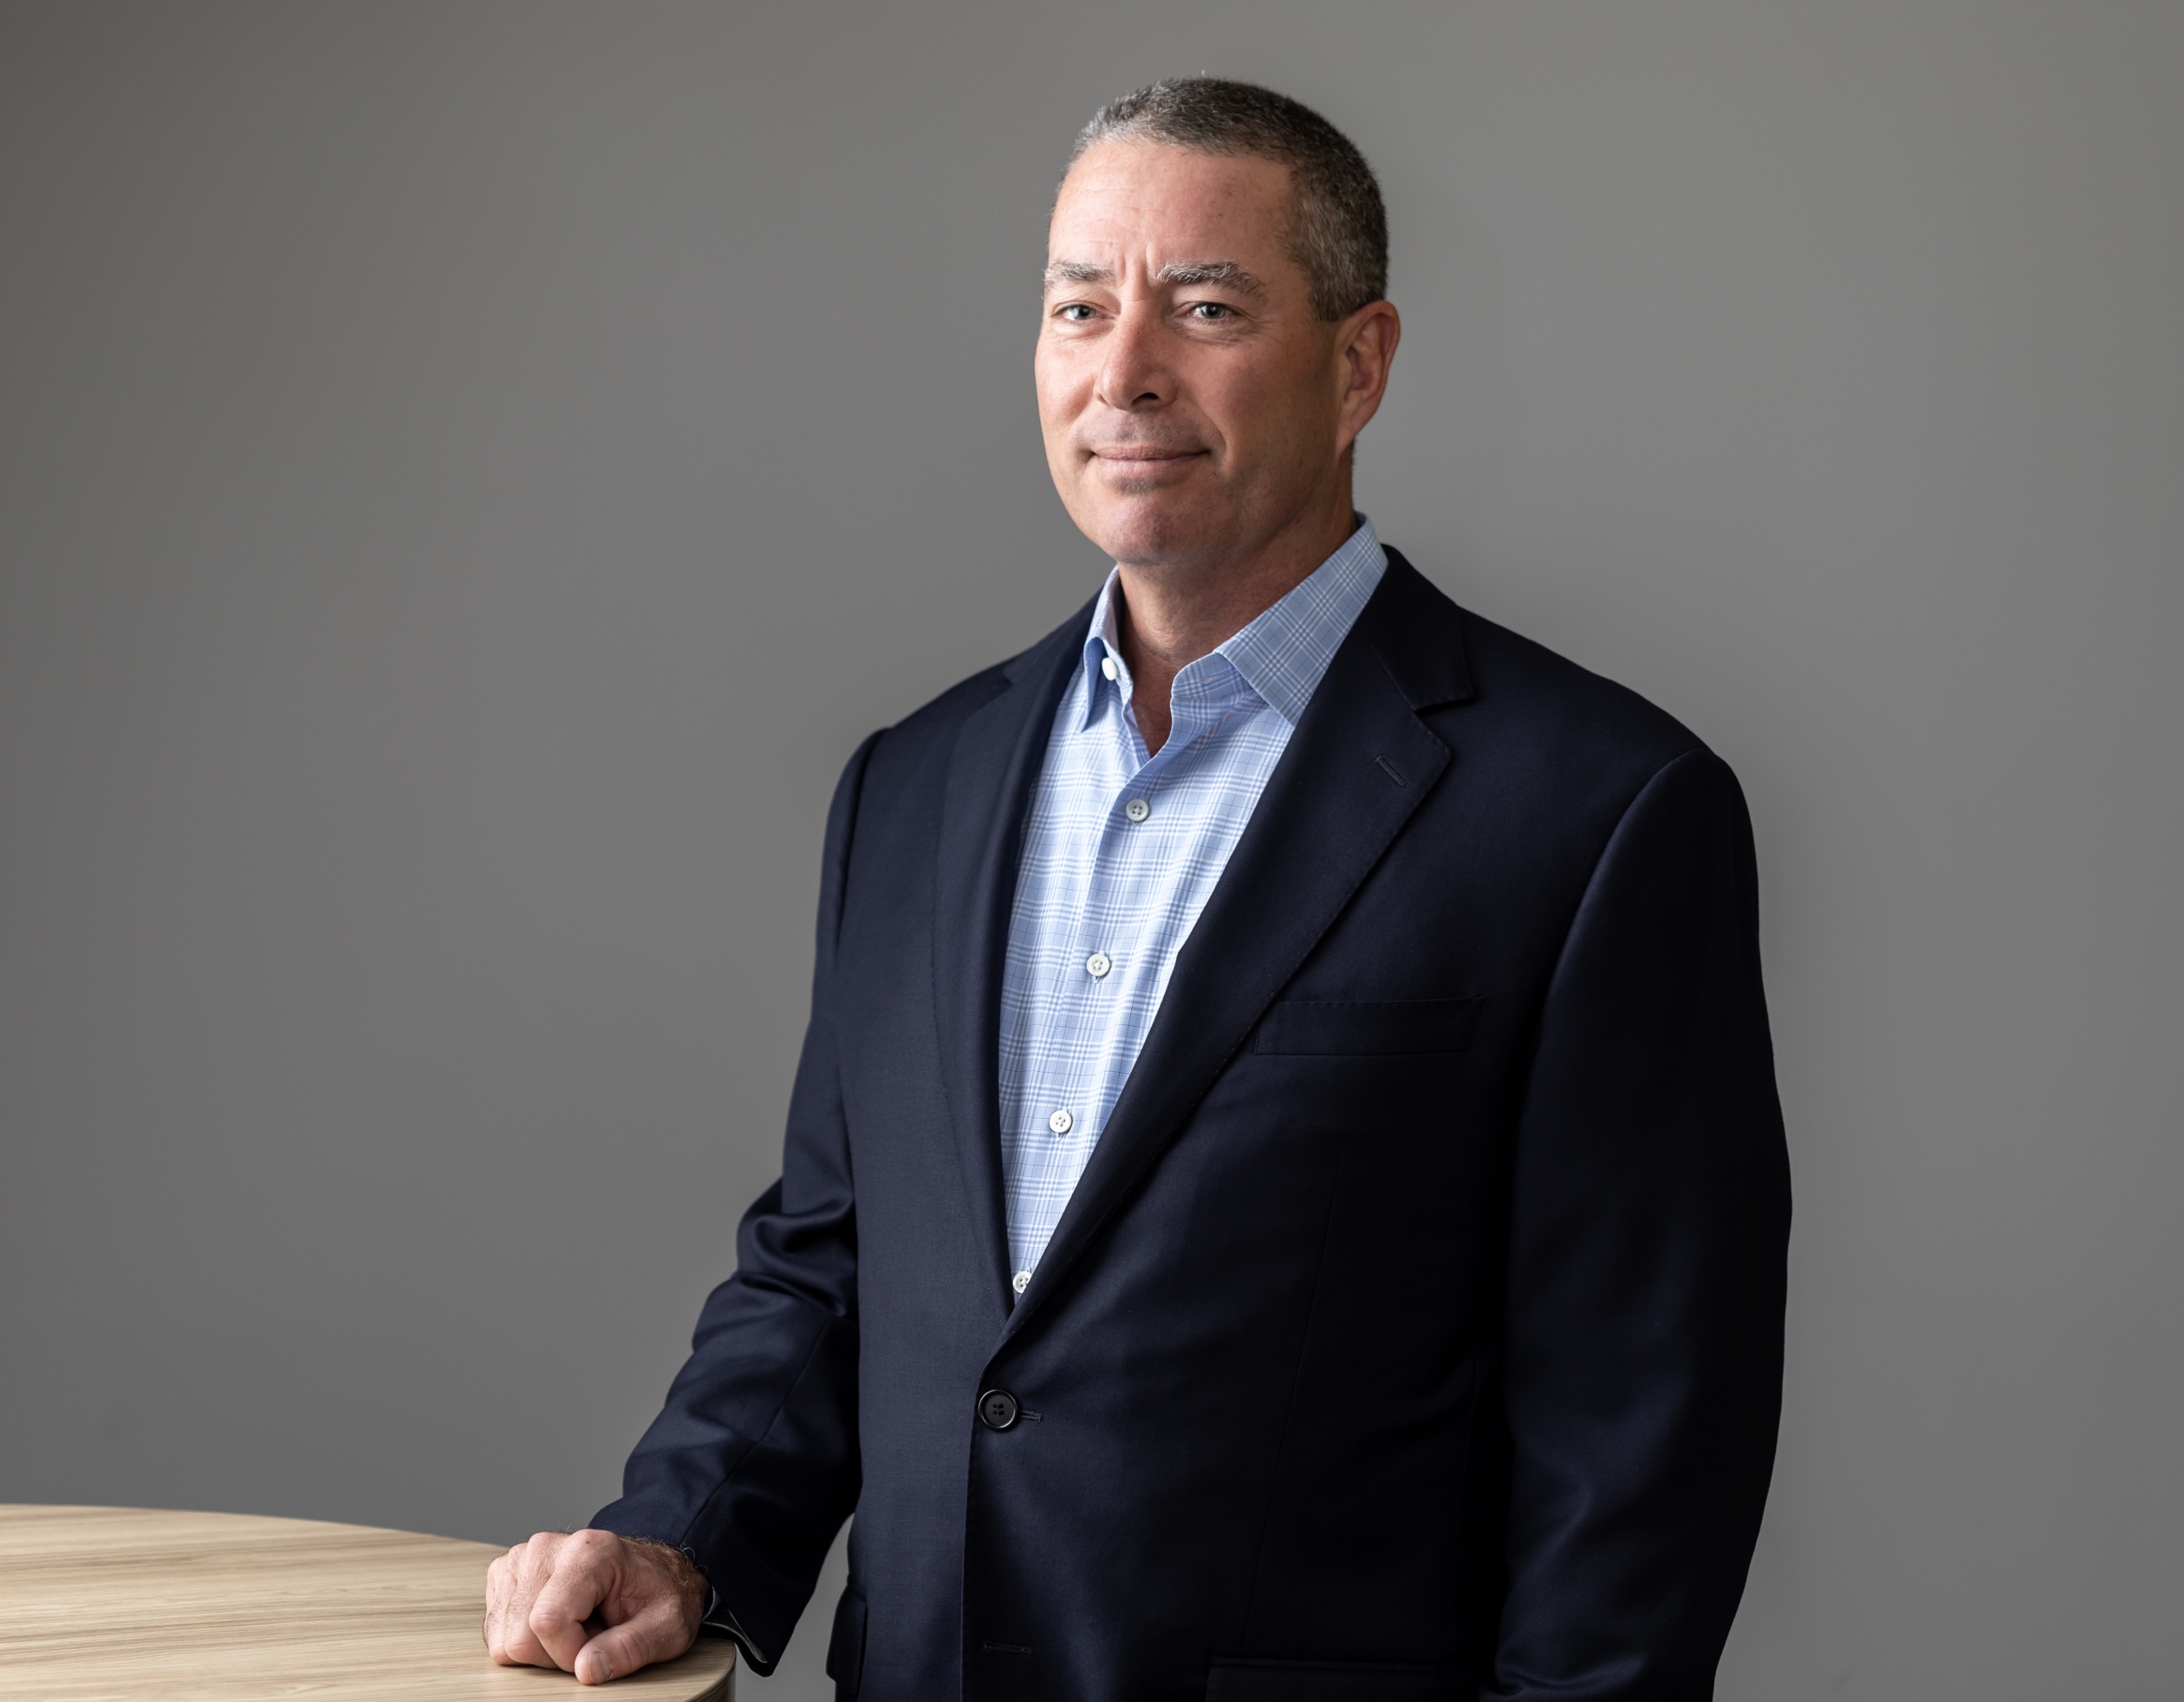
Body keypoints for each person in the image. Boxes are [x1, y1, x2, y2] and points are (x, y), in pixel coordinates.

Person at [482, 76, 1791, 1701]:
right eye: (1079, 307)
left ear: (1361, 364)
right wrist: (678, 1540)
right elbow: (831, 1265)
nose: (1124, 372)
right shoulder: (913, 786)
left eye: (1208, 308)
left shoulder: (1598, 814)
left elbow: (1640, 1444)